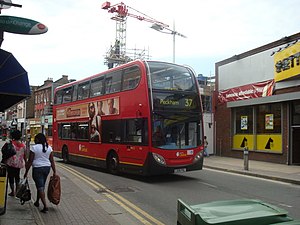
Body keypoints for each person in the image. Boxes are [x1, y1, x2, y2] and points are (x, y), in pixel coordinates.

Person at [24, 133, 56, 213]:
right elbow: (52, 160)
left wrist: (26, 172)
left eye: (35, 139)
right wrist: (54, 171)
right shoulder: (48, 148)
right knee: (41, 185)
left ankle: (45, 206)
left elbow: (30, 161)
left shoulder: (34, 148)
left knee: (40, 187)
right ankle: (37, 202)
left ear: (38, 139)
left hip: (37, 169)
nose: (34, 140)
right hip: (47, 168)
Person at [4, 130, 27, 197]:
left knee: (11, 178)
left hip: (10, 163)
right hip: (18, 164)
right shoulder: (23, 145)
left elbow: (5, 152)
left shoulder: (10, 143)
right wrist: (26, 163)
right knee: (17, 177)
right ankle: (17, 191)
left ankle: (12, 191)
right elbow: (25, 155)